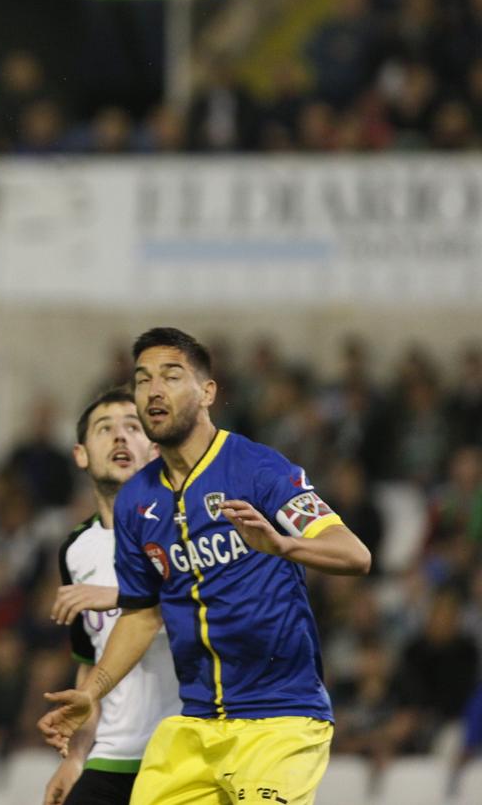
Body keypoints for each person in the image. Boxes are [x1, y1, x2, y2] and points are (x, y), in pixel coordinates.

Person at [39, 328, 373, 805]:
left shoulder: (259, 470)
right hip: (194, 729)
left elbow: (355, 555)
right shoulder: (137, 500)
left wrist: (281, 545)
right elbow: (140, 614)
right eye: (143, 380)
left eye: (171, 377)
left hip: (279, 719)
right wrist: (93, 692)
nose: (154, 390)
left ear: (207, 392)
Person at [44, 388, 180, 805]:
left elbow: (201, 599)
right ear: (81, 454)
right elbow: (90, 667)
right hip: (110, 758)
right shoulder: (75, 550)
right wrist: (75, 758)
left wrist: (120, 594)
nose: (120, 438)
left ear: (154, 449)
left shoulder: (184, 524)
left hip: (184, 753)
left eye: (133, 427)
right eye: (105, 429)